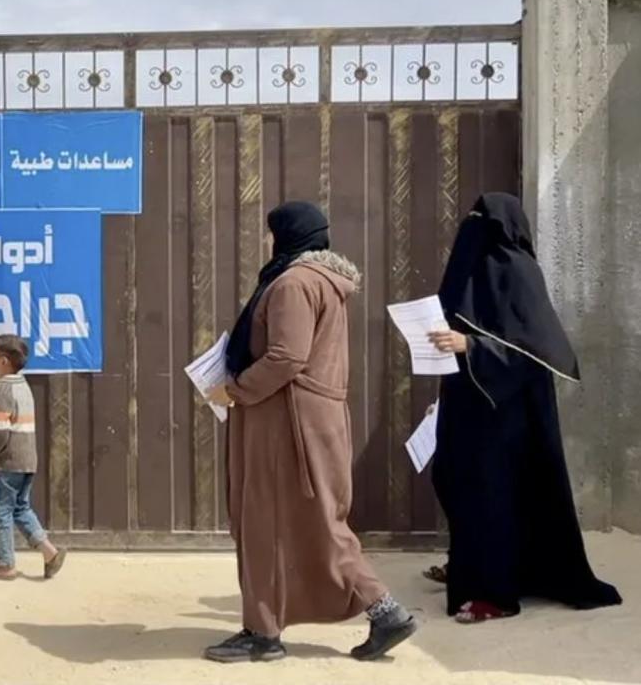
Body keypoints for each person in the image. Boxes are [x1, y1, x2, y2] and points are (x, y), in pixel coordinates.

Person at [206, 201, 416, 663]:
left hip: (285, 425)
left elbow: (286, 357)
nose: (266, 242)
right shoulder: (320, 281)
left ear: (286, 236)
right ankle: (374, 613)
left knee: (272, 522)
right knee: (310, 523)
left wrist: (236, 389)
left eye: (270, 233)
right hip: (303, 420)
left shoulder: (293, 284)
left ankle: (267, 634)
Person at [425, 192, 622, 623]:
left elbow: (537, 352)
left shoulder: (518, 270)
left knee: (494, 495)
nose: (470, 226)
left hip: (508, 418)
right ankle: (467, 567)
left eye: (480, 219)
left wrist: (470, 345)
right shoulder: (471, 271)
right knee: (454, 480)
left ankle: (495, 595)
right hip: (467, 403)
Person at [0, 334, 66, 581]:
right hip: (27, 460)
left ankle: (4, 565)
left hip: (9, 461)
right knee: (20, 508)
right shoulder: (23, 385)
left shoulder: (2, 388)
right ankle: (50, 553)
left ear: (3, 360)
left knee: (0, 511)